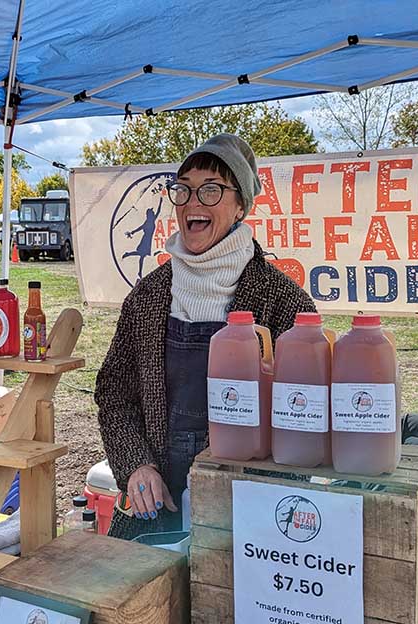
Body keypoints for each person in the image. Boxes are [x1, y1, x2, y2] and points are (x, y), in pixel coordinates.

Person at [94, 134, 317, 539]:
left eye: (211, 190)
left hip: (249, 505)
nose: (193, 202)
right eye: (183, 190)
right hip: (159, 498)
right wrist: (136, 464)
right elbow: (114, 393)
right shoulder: (147, 297)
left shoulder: (283, 301)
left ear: (240, 207)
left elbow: (303, 418)